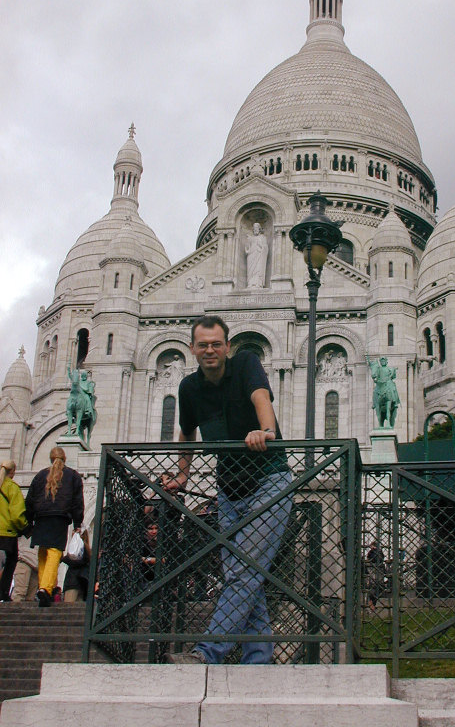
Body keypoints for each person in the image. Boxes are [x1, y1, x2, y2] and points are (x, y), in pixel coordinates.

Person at [165, 315, 292, 664]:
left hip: (270, 481)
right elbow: (186, 433)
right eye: (203, 344)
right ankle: (258, 661)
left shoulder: (247, 364)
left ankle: (208, 653)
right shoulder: (189, 388)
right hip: (229, 490)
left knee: (244, 570)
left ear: (227, 347)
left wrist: (265, 432)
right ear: (193, 348)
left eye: (216, 344)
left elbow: (261, 396)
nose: (210, 350)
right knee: (245, 575)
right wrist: (182, 475)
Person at [25, 446, 84, 607]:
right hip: (59, 518)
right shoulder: (73, 476)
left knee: (43, 552)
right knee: (54, 553)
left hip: (41, 518)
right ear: (64, 459)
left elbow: (29, 500)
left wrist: (29, 521)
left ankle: (43, 588)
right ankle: (45, 588)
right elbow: (77, 502)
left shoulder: (40, 475)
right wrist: (78, 523)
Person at [0, 459, 28, 602]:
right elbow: (17, 515)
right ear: (12, 472)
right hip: (6, 535)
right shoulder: (12, 488)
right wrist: (24, 527)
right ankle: (3, 592)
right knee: (9, 564)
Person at [62, 528, 91, 602]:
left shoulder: (78, 547)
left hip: (73, 582)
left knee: (69, 605)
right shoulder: (87, 549)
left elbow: (74, 561)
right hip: (82, 582)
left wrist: (64, 558)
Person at [245, 223, 268, 288]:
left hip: (259, 256)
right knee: (250, 271)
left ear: (259, 229)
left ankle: (258, 283)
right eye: (254, 228)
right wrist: (247, 241)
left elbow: (265, 248)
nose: (255, 230)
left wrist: (260, 245)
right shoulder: (251, 238)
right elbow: (247, 248)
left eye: (257, 228)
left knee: (258, 269)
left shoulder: (263, 237)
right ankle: (250, 283)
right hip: (251, 256)